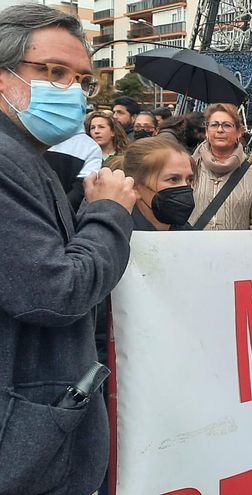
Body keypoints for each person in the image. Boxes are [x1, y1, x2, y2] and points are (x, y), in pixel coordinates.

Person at [0, 5, 137, 493]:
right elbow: (52, 290)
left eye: (81, 79)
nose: (70, 93)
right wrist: (108, 214)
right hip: (22, 443)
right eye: (53, 72)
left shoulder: (26, 153)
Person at [189, 103, 252, 230]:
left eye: (227, 125)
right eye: (214, 125)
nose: (220, 130)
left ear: (238, 132)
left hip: (238, 249)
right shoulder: (190, 168)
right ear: (206, 131)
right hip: (194, 247)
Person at [121, 137, 196, 231]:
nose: (185, 186)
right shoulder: (116, 237)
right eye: (173, 179)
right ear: (135, 187)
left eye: (189, 179)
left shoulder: (191, 236)